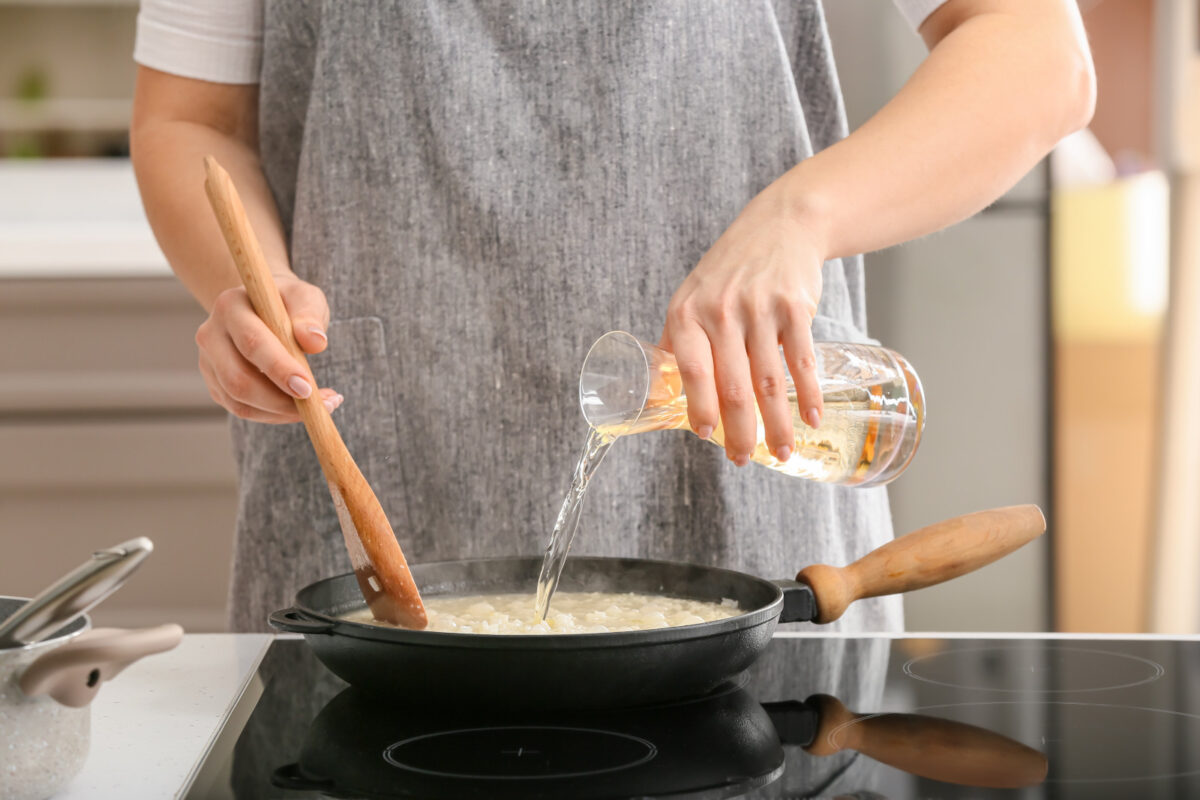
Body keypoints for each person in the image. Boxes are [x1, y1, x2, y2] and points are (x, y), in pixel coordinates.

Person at [131, 1, 1094, 633]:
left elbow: (1035, 53)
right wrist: (257, 289)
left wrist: (802, 217)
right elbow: (192, 119)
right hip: (375, 486)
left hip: (744, 501)